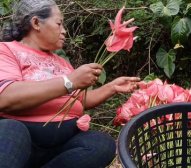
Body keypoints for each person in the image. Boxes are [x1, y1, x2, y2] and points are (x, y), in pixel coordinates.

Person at [0, 0, 140, 168]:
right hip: (21, 138)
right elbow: (6, 96)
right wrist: (70, 81)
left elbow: (80, 100)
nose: (64, 31)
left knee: (101, 144)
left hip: (62, 144)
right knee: (11, 130)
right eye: (59, 24)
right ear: (36, 23)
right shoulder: (6, 50)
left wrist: (112, 87)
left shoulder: (62, 62)